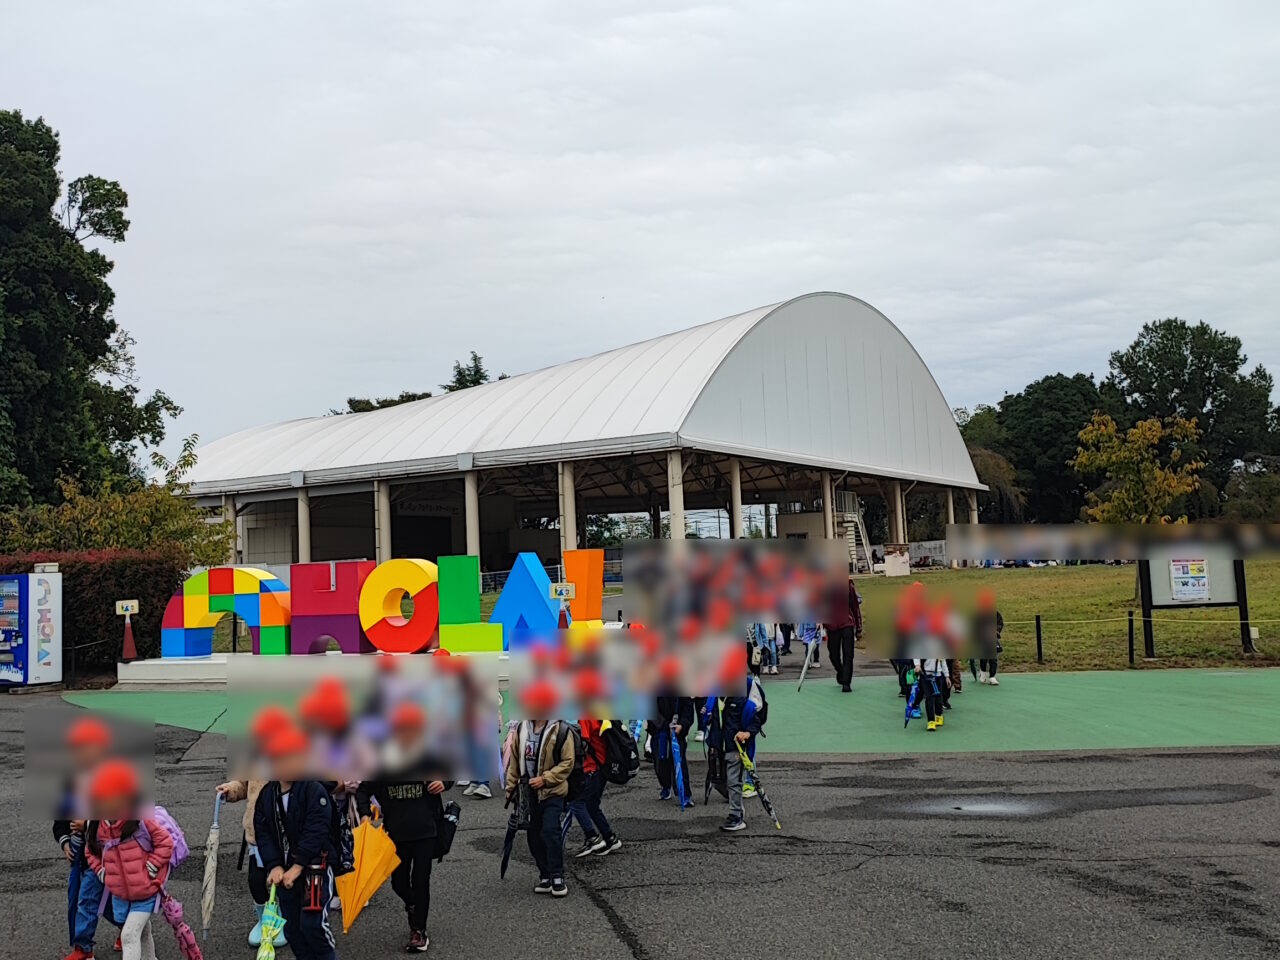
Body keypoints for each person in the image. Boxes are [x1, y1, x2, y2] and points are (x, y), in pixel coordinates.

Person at [356, 701, 449, 953]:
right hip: (396, 833)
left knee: (421, 881)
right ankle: (413, 906)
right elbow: (364, 790)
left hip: (426, 831)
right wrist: (365, 814)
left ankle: (419, 930)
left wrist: (443, 782)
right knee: (398, 883)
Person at [254, 726, 341, 960]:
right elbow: (263, 832)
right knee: (293, 928)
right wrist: (274, 865)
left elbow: (317, 829)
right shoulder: (267, 795)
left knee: (313, 924)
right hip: (284, 871)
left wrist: (297, 866)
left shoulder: (314, 790)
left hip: (315, 868)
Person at [216, 704, 292, 949]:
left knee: (287, 879)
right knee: (257, 879)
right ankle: (263, 920)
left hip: (288, 832)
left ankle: (285, 919)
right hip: (258, 831)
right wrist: (230, 790)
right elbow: (242, 783)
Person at [84, 760, 174, 960]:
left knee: (129, 935)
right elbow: (90, 851)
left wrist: (151, 866)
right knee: (141, 932)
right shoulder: (98, 825)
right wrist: (101, 871)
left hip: (145, 890)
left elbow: (165, 842)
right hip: (120, 895)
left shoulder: (141, 819)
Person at [57, 718, 122, 960]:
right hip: (78, 856)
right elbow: (61, 818)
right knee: (79, 899)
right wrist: (64, 840)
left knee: (95, 899)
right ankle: (86, 944)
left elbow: (120, 818)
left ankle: (85, 948)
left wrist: (88, 824)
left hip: (104, 853)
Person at [503, 682, 575, 898]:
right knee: (532, 835)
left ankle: (557, 875)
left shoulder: (560, 730)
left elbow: (567, 762)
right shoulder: (522, 729)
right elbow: (515, 761)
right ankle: (545, 875)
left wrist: (545, 779)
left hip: (552, 792)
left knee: (550, 831)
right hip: (528, 793)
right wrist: (511, 788)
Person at [702, 663, 767, 832]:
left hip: (735, 746)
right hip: (717, 744)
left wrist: (747, 733)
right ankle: (736, 805)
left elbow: (757, 716)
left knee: (733, 781)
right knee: (718, 780)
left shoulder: (747, 688)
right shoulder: (714, 691)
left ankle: (736, 814)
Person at [567, 715, 622, 858]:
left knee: (576, 802)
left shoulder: (585, 717)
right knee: (591, 805)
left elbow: (582, 742)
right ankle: (609, 837)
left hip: (591, 767)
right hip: (602, 766)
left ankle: (593, 837)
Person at [648, 696, 695, 801]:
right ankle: (665, 786)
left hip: (678, 732)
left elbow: (688, 709)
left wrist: (682, 725)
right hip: (659, 731)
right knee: (660, 761)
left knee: (680, 762)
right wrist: (664, 725)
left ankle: (685, 794)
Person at [824, 577, 863, 692]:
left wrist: (859, 627)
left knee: (848, 654)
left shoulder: (848, 585)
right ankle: (841, 672)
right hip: (832, 624)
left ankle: (847, 682)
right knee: (833, 654)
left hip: (847, 623)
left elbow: (854, 606)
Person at [976, 588, 1004, 685]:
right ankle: (983, 673)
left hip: (992, 639)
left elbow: (1000, 623)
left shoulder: (995, 613)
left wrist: (996, 631)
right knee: (984, 657)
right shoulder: (979, 614)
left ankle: (992, 676)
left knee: (993, 658)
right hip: (983, 639)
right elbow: (975, 627)